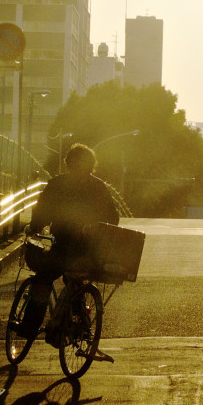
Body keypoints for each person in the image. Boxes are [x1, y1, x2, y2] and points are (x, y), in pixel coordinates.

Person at [15, 142, 119, 337]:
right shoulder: (98, 186)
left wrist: (33, 227)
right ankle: (80, 325)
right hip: (92, 252)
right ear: (91, 165)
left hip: (64, 247)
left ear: (68, 163)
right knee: (75, 278)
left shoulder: (58, 184)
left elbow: (44, 211)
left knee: (43, 279)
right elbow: (113, 217)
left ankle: (29, 326)